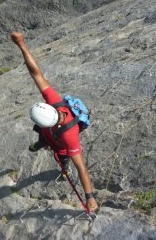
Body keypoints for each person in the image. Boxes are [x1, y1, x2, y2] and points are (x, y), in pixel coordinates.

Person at [10, 31, 99, 213]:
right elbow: (36, 73)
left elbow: (81, 167)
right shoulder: (53, 102)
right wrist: (21, 44)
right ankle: (41, 143)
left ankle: (63, 168)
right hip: (48, 133)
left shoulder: (70, 138)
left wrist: (89, 197)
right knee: (43, 139)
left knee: (63, 156)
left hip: (60, 143)